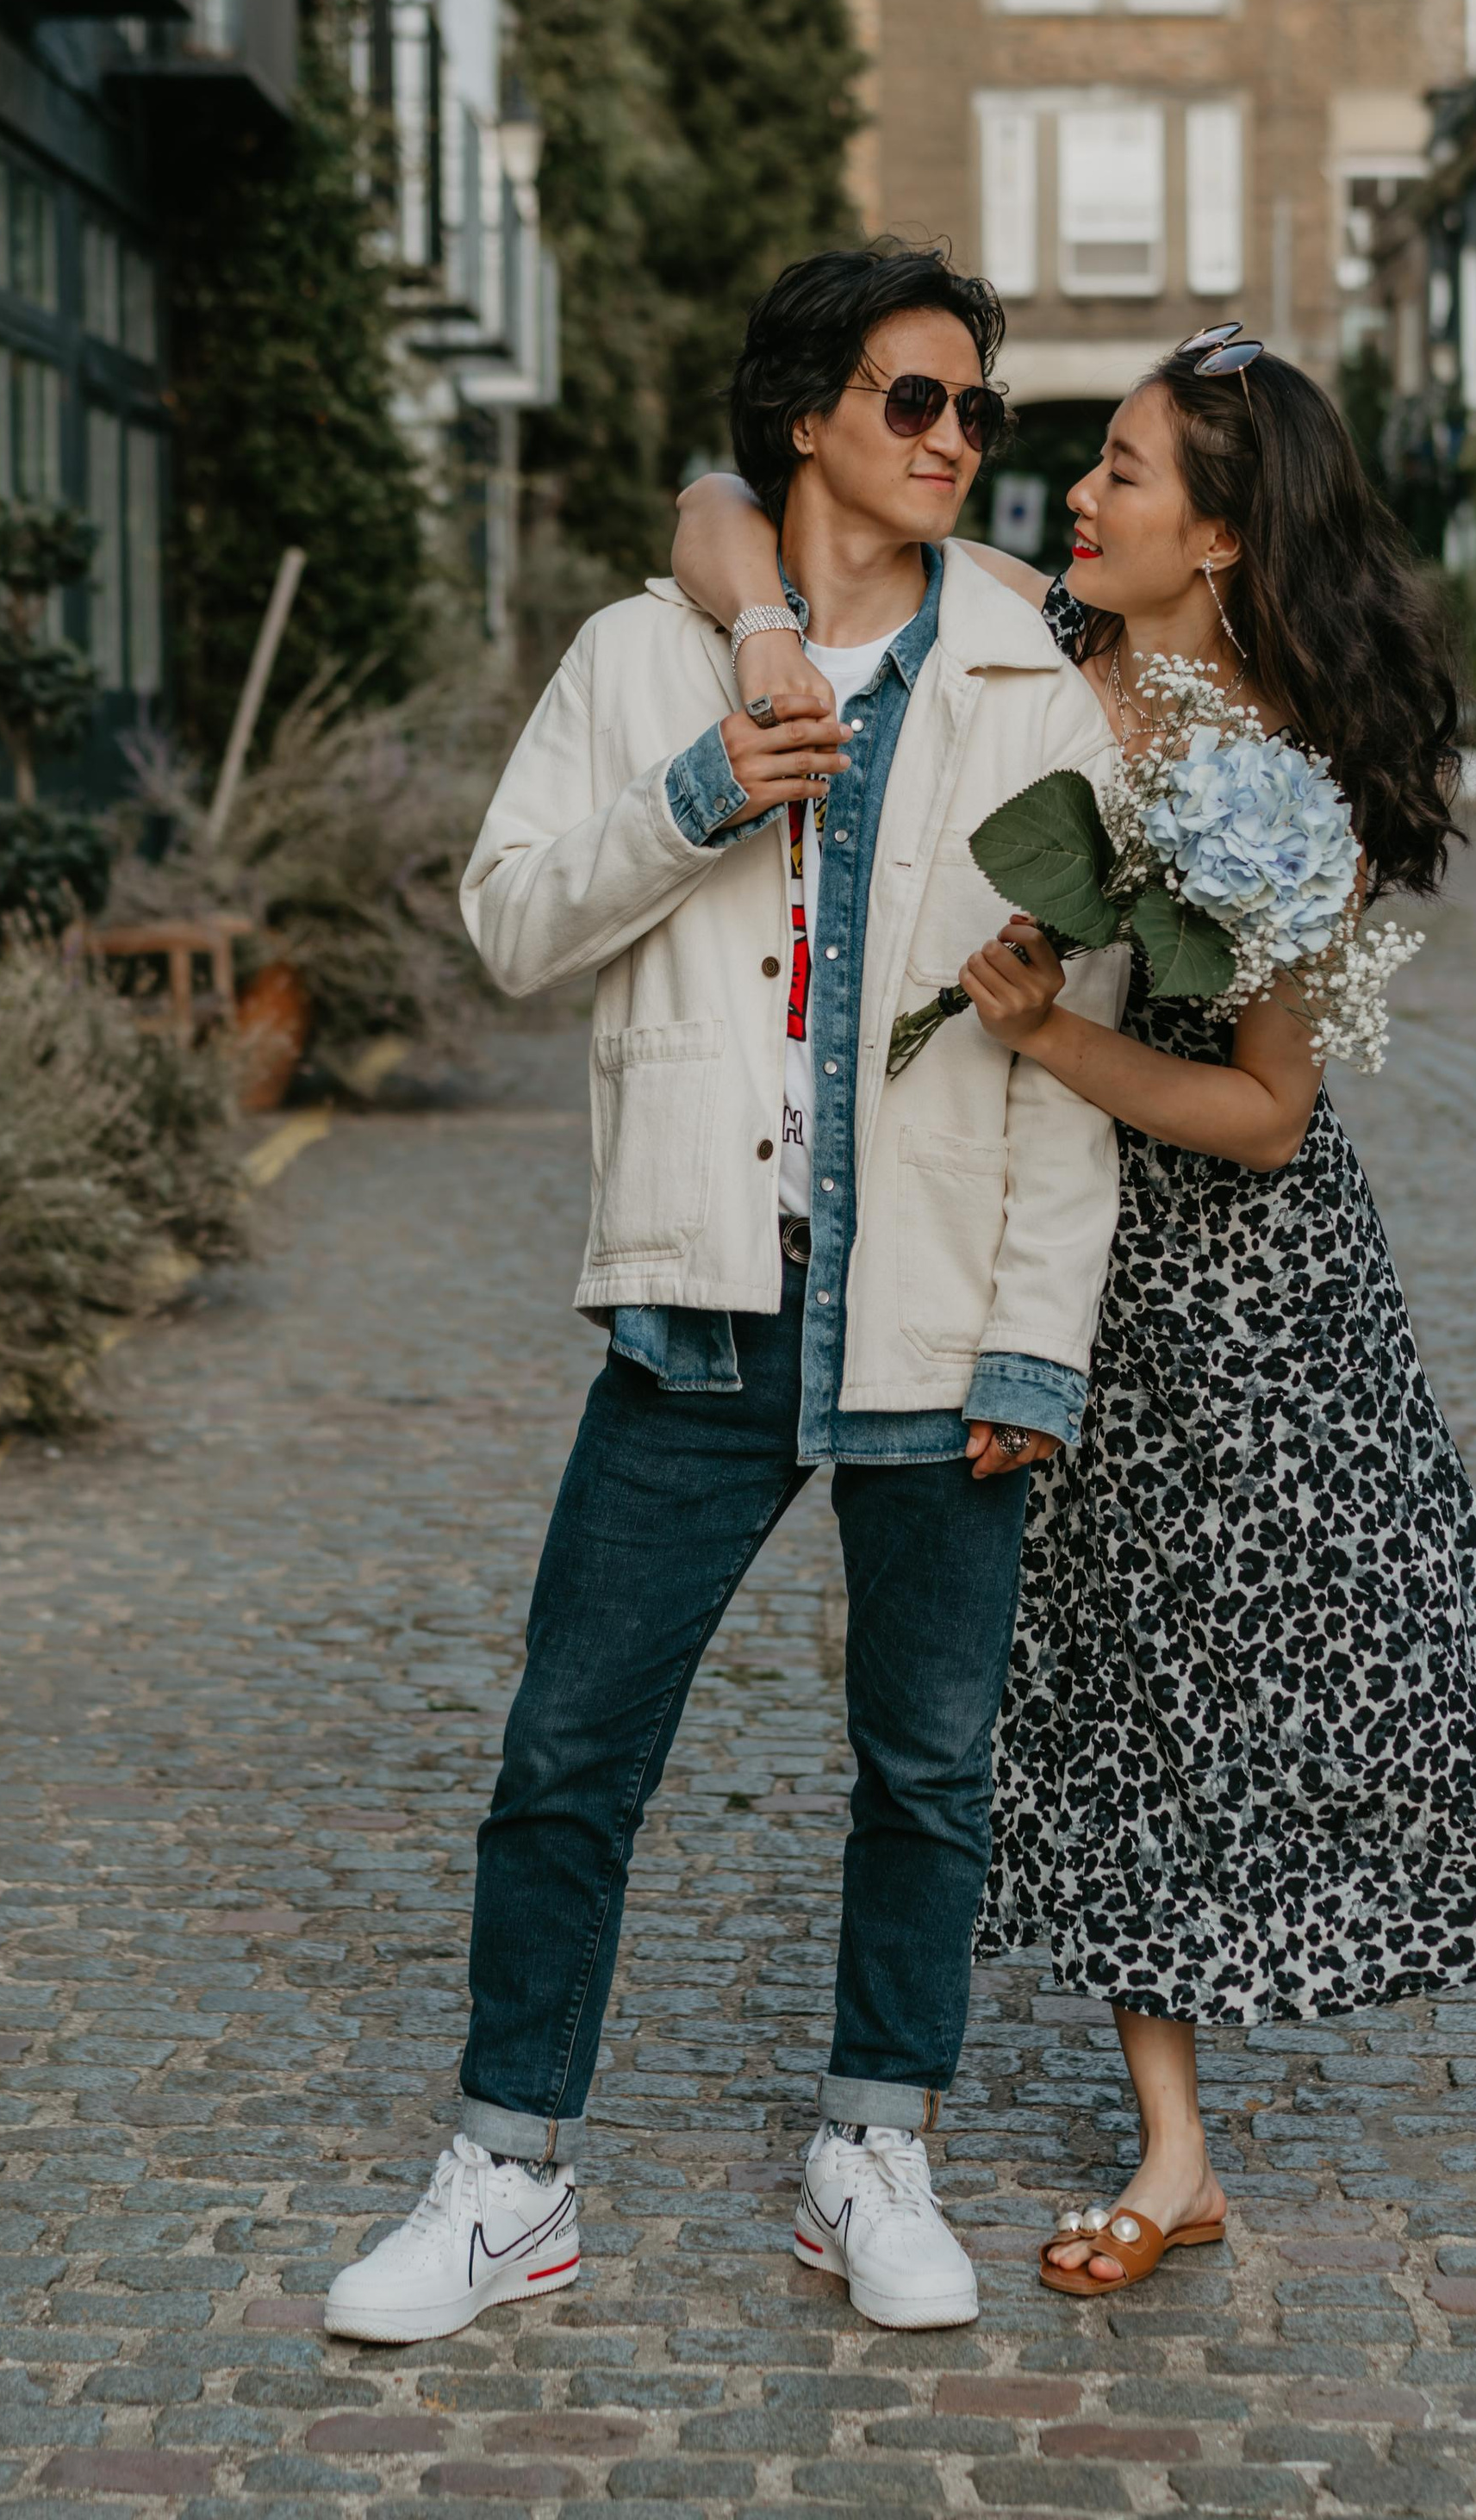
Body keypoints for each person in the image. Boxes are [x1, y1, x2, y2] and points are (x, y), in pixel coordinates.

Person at [674, 328, 1476, 2286]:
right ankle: (1173, 2145)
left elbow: (1267, 1112)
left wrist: (1036, 1043)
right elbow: (709, 511)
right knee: (1108, 1698)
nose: (1072, 498)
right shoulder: (1055, 659)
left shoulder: (1278, 785)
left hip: (1265, 1307)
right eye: (1088, 467)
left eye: (1116, 471)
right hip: (1075, 1277)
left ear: (1217, 534)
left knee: (1420, 1687)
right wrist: (767, 623)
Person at [323, 246, 1130, 2347]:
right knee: (569, 1745)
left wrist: (1041, 1332)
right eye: (912, 400)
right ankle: (507, 2171)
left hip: (936, 1304)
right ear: (805, 416)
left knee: (926, 1765)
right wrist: (698, 796)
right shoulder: (639, 653)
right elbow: (505, 920)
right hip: (705, 1298)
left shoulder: (1038, 665)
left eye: (979, 412)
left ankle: (876, 2144)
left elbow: (1073, 1041)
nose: (955, 440)